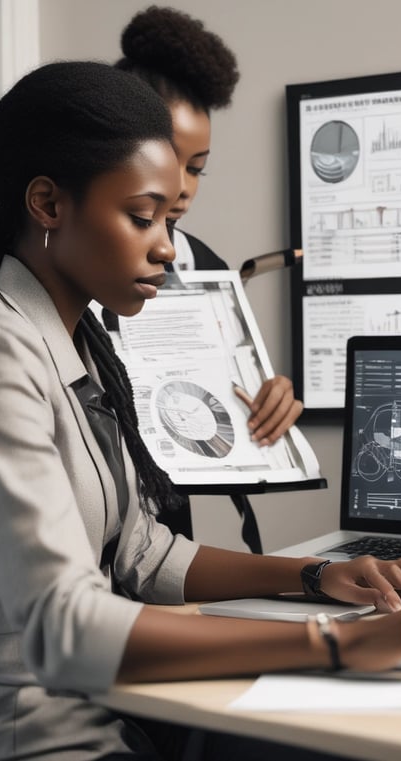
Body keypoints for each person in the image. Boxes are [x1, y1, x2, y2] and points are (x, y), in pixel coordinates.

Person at [0, 60, 401, 761]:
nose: (165, 246)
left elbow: (141, 551)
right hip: (25, 733)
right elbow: (62, 625)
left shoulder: (80, 342)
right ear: (47, 203)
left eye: (167, 215)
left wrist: (314, 576)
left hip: (112, 713)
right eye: (140, 216)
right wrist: (339, 642)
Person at [114, 6, 301, 551]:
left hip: (165, 549)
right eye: (171, 160)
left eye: (197, 168)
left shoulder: (207, 268)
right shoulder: (61, 272)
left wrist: (265, 400)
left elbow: (208, 414)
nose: (184, 186)